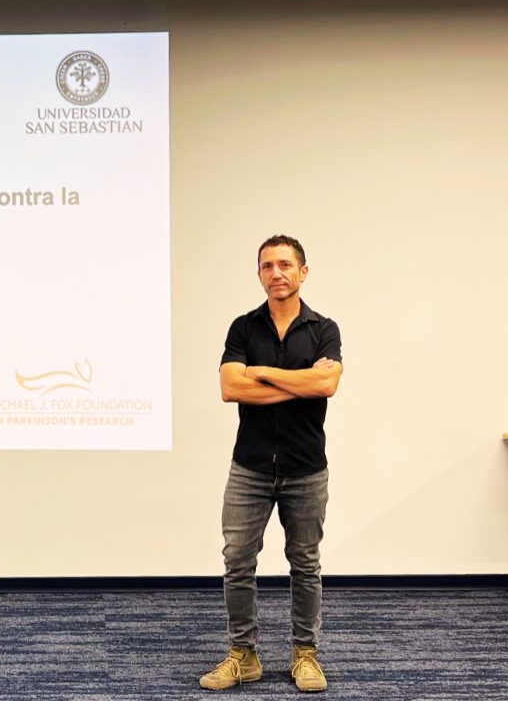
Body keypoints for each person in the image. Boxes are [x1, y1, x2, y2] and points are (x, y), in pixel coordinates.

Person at [199, 234, 342, 693]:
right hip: (251, 466)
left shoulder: (324, 329)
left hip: (306, 467)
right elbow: (230, 388)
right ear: (259, 274)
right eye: (267, 266)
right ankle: (243, 655)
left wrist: (260, 372)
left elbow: (326, 386)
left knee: (305, 564)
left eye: (285, 264)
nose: (276, 273)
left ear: (303, 272)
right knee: (237, 562)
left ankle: (305, 654)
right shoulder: (243, 328)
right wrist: (301, 382)